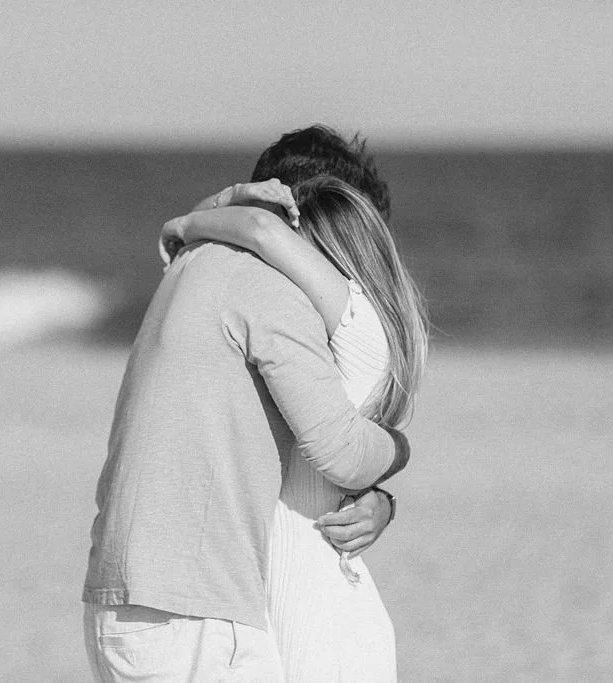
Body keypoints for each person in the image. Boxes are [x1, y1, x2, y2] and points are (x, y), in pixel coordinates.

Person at [81, 126, 414, 681]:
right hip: (191, 610)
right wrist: (399, 453)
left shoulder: (192, 265)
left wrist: (196, 217)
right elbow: (340, 450)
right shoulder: (270, 288)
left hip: (134, 594)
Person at [159, 171, 429, 680]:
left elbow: (260, 232)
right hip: (320, 585)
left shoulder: (353, 320)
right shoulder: (361, 334)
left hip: (303, 593)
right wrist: (383, 501)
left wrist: (185, 223)